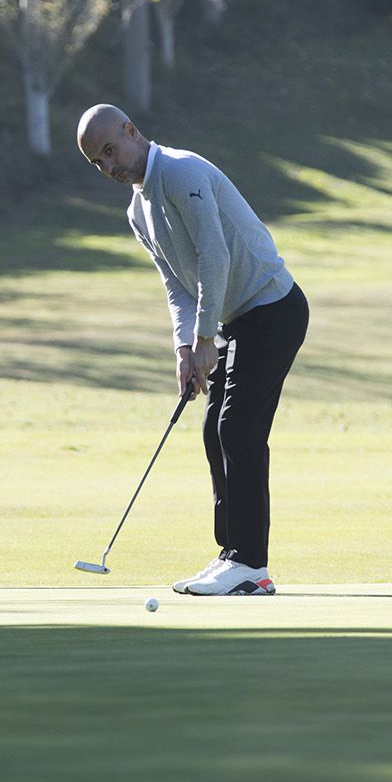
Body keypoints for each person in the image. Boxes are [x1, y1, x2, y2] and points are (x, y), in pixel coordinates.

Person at [76, 104, 308, 596]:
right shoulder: (138, 210)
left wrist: (207, 339)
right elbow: (176, 283)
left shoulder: (181, 173)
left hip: (272, 309)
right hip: (235, 320)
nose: (108, 166)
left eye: (110, 151)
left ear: (131, 132)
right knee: (213, 432)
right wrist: (185, 347)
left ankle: (250, 563)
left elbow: (214, 255)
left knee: (238, 430)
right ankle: (232, 554)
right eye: (98, 162)